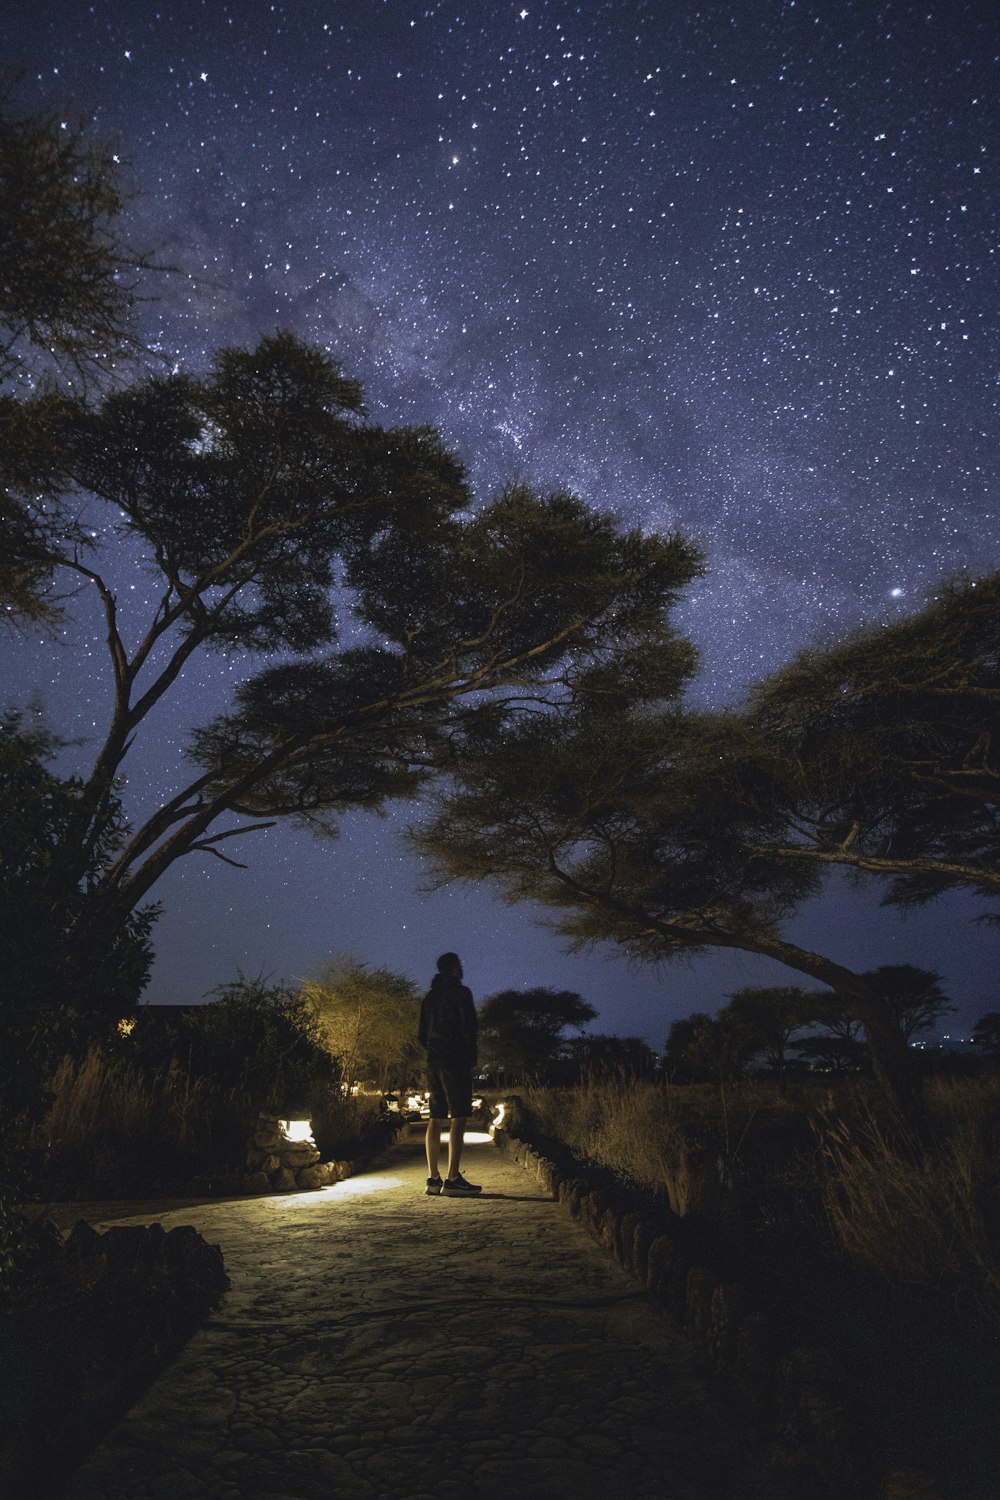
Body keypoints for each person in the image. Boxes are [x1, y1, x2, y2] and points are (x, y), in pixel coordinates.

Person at [418, 952, 482, 1197]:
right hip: (455, 1059)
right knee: (459, 1116)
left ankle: (433, 1179)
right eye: (459, 965)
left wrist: (435, 1049)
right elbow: (469, 1028)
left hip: (433, 1059)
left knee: (435, 1116)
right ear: (454, 969)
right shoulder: (461, 993)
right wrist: (469, 1057)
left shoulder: (429, 998)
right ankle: (453, 1178)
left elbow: (421, 1035)